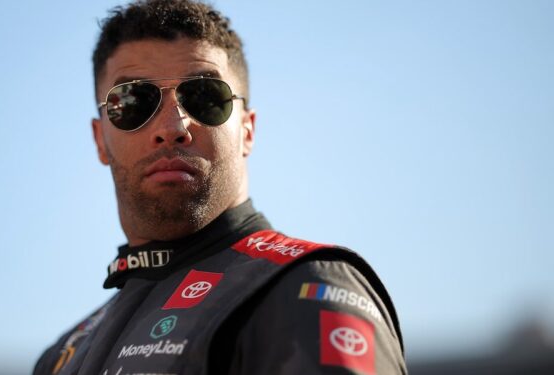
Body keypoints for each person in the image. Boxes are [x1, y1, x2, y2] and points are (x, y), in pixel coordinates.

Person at [34, 0, 406, 374]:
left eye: (205, 97)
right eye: (132, 102)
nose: (172, 128)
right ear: (100, 139)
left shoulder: (305, 285)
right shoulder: (62, 356)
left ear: (248, 129)